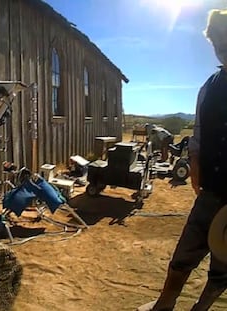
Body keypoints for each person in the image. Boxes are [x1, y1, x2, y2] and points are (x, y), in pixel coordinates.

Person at [138, 9, 227, 311]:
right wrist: (194, 165)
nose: (220, 48)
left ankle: (200, 308)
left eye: (224, 41)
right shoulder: (210, 86)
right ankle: (165, 303)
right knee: (185, 252)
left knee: (224, 262)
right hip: (212, 189)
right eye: (217, 43)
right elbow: (199, 132)